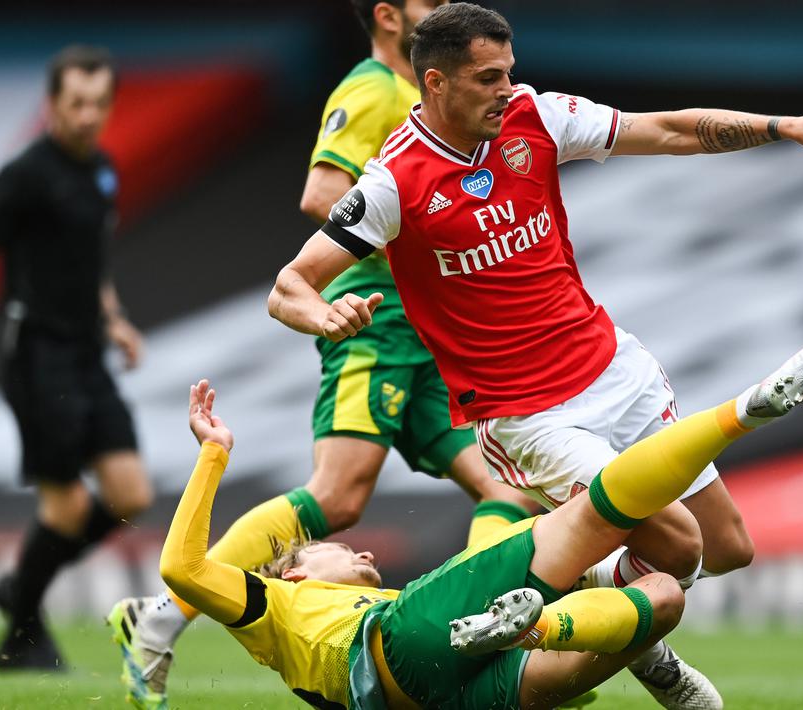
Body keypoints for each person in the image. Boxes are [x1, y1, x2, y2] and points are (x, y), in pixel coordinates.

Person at [268, 3, 803, 704]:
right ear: (435, 83)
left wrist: (781, 126)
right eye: (487, 77)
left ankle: (590, 585)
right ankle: (559, 625)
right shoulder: (394, 181)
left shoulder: (536, 116)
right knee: (676, 548)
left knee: (729, 549)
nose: (505, 88)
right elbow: (289, 287)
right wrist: (326, 313)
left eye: (508, 72)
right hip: (529, 415)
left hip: (613, 368)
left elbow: (670, 131)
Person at [106, 4, 535, 708]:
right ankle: (161, 617)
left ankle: (475, 629)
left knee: (507, 492)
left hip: (428, 334)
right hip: (375, 321)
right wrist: (417, 226)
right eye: (427, 1)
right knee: (336, 496)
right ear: (388, 14)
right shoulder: (371, 88)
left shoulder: (429, 95)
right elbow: (323, 194)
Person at [157, 335, 803, 709]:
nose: (363, 557)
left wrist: (497, 485)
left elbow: (494, 522)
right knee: (608, 518)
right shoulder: (275, 605)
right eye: (341, 552)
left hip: (445, 697)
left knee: (665, 595)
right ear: (301, 568)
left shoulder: (354, 623)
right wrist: (212, 456)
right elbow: (182, 570)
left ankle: (566, 631)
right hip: (402, 642)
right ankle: (743, 412)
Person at [0, 45, 152, 670]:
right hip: (36, 353)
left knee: (130, 494)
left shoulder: (102, 170)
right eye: (76, 104)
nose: (89, 116)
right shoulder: (24, 173)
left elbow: (91, 261)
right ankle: (23, 630)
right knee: (65, 505)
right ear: (52, 104)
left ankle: (21, 591)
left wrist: (113, 318)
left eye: (99, 103)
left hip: (87, 350)